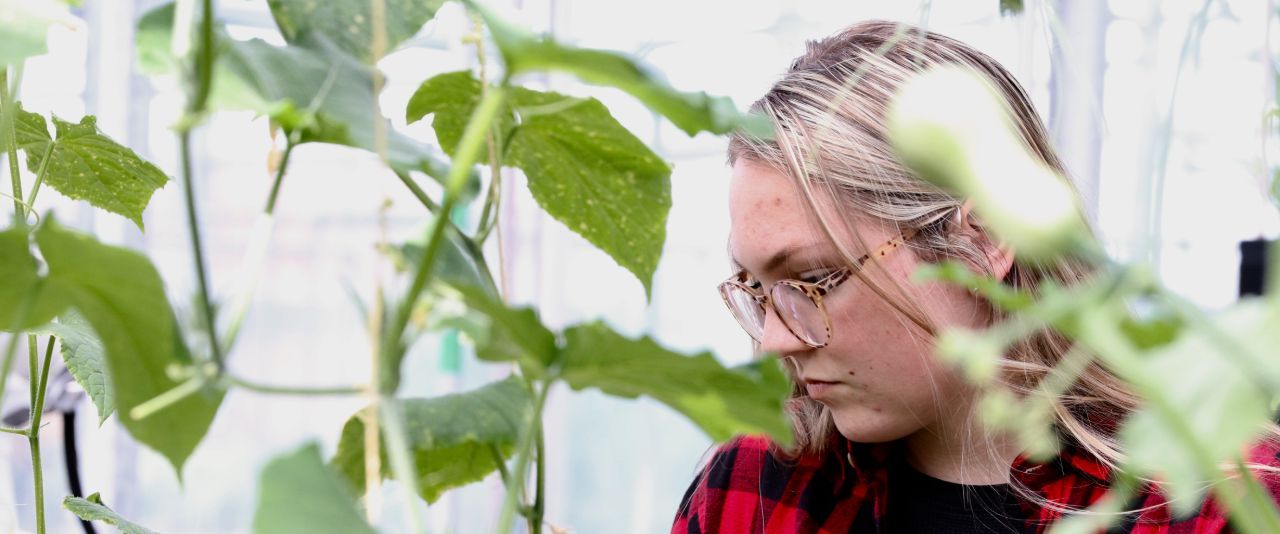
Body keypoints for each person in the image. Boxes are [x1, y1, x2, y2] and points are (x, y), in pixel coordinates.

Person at [672, 20, 1280, 533]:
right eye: (756, 290)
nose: (777, 339)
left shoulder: (1214, 501)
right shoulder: (752, 490)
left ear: (981, 238)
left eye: (813, 280)